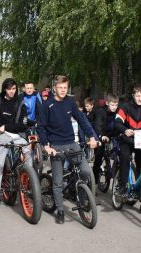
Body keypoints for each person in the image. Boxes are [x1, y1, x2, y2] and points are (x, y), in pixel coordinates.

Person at [37, 75, 98, 224]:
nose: (63, 90)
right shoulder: (47, 105)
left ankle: (83, 198)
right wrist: (46, 146)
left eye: (65, 88)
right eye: (60, 87)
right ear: (54, 88)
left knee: (84, 171)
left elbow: (82, 120)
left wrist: (91, 137)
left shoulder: (70, 103)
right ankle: (60, 210)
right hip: (56, 146)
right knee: (58, 181)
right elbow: (41, 127)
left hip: (71, 143)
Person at [0, 78, 31, 206]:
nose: (12, 91)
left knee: (28, 149)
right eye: (9, 89)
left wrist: (6, 127)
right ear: (4, 89)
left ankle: (28, 180)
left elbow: (22, 126)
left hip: (15, 134)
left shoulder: (20, 103)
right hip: (1, 135)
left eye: (14, 89)